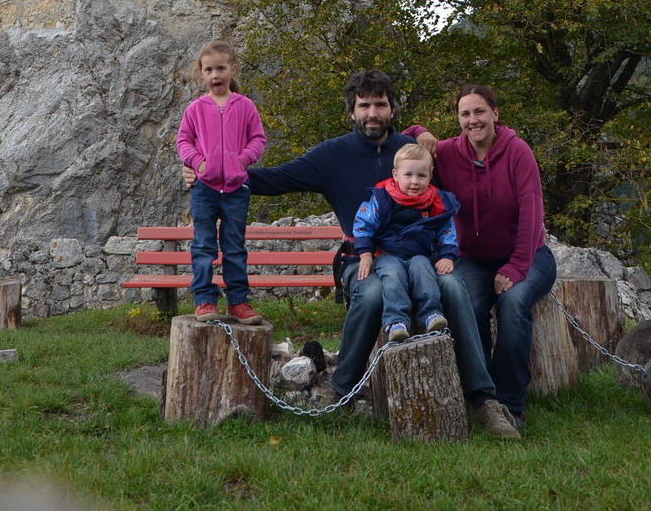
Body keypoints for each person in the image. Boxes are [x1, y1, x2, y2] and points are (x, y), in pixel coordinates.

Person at [182, 68, 519, 436]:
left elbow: (459, 182)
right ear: (352, 111)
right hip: (361, 259)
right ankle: (342, 389)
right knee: (372, 293)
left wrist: (423, 133)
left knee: (454, 287)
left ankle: (482, 399)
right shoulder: (333, 155)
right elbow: (276, 178)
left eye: (380, 105)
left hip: (420, 258)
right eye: (364, 106)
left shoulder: (414, 154)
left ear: (392, 109)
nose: (372, 113)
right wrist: (208, 173)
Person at [409, 83, 557, 431]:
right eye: (465, 113)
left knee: (513, 304)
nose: (473, 120)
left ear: (495, 114)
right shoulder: (447, 153)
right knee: (469, 307)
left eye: (479, 111)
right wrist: (419, 131)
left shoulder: (518, 152)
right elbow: (403, 146)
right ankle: (482, 397)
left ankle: (511, 402)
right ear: (458, 118)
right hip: (473, 258)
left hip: (528, 255)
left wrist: (516, 266)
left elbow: (532, 213)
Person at [176, 40, 266, 324]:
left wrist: (243, 161)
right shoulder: (195, 108)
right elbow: (183, 141)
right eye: (209, 70)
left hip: (237, 189)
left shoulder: (246, 106)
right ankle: (204, 300)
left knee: (235, 247)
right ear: (201, 73)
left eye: (221, 68)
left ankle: (238, 302)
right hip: (204, 188)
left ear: (233, 69)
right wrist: (198, 162)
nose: (215, 75)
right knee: (203, 246)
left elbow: (258, 139)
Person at [353, 143, 457, 341]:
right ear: (395, 174)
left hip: (420, 254)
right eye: (408, 175)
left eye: (421, 176)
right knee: (393, 274)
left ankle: (431, 314)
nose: (414, 181)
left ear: (430, 176)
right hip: (387, 254)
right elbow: (363, 224)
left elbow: (447, 229)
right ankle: (396, 321)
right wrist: (365, 254)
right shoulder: (382, 198)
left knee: (423, 269)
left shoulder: (435, 202)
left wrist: (448, 256)